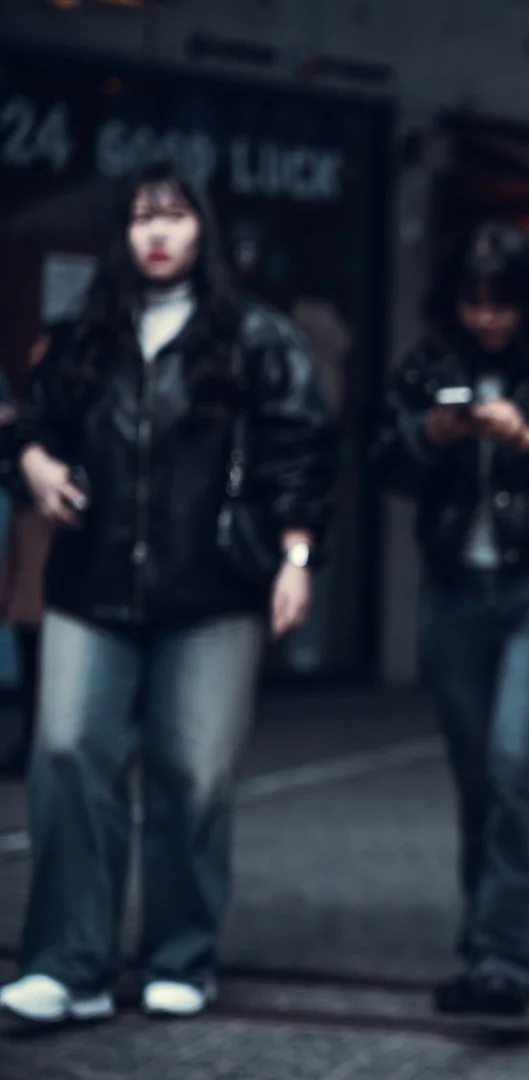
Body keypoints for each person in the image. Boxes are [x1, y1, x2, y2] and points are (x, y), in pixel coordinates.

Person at [0, 164, 337, 1024]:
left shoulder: (255, 336)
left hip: (215, 588)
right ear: (123, 235)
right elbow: (30, 420)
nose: (157, 234)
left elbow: (301, 450)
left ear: (202, 232)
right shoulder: (86, 334)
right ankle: (68, 964)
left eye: (175, 217)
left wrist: (295, 556)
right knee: (70, 754)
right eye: (144, 219)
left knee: (193, 772)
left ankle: (181, 956)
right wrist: (32, 461)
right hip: (91, 581)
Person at [372, 221, 529, 1017]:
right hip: (454, 588)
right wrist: (432, 437)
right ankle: (483, 941)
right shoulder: (429, 365)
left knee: (517, 763)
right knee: (478, 776)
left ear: (527, 302)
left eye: (501, 303)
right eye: (473, 303)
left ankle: (502, 959)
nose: (487, 319)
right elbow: (383, 460)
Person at [0, 327, 65, 779]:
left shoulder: (67, 409)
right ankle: (32, 739)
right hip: (27, 537)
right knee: (29, 638)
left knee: (45, 645)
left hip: (52, 539)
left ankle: (40, 742)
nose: (33, 357)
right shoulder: (30, 411)